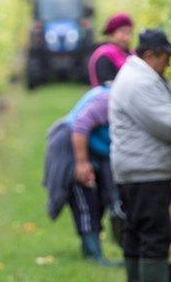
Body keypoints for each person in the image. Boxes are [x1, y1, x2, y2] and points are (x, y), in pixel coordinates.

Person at [109, 29, 171, 282]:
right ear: (150, 55)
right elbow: (170, 123)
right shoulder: (140, 83)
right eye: (166, 57)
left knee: (136, 230)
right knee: (154, 232)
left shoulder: (140, 77)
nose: (168, 63)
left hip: (139, 167)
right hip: (146, 169)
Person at [42, 84, 120, 264]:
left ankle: (92, 250)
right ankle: (93, 255)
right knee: (85, 199)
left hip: (92, 150)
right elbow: (80, 126)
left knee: (100, 199)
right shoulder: (109, 99)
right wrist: (81, 164)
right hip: (71, 148)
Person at [87, 13, 133, 87]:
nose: (127, 38)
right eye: (123, 32)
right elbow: (108, 86)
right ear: (111, 33)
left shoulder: (130, 54)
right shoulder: (104, 56)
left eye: (129, 33)